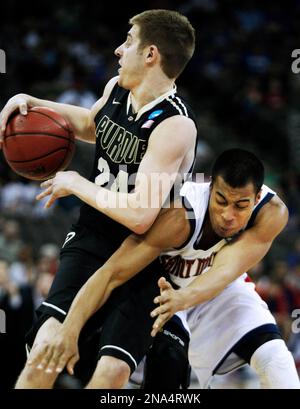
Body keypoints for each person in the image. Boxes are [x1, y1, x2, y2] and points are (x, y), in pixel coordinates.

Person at [0, 10, 197, 388]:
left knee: (112, 374)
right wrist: (32, 101)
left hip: (142, 255)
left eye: (128, 41)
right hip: (90, 240)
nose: (118, 50)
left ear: (150, 54)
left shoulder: (175, 126)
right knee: (45, 350)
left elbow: (140, 215)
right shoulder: (116, 89)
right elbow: (93, 125)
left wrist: (76, 183)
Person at [29, 149, 300, 389]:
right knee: (166, 365)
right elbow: (112, 273)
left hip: (218, 290)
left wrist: (185, 297)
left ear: (256, 198)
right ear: (210, 188)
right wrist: (69, 330)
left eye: (241, 205)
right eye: (221, 201)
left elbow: (224, 271)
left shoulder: (271, 213)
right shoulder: (180, 217)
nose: (229, 215)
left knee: (277, 364)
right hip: (164, 291)